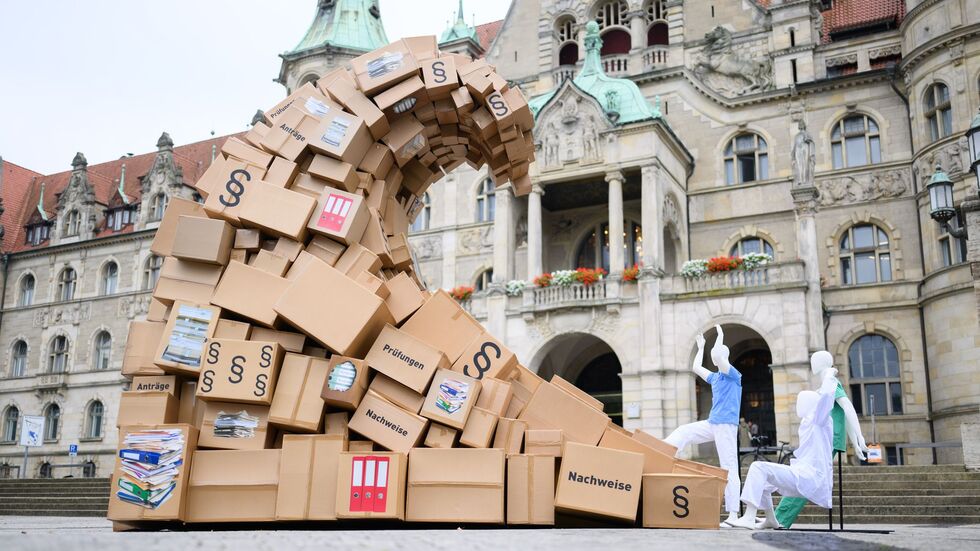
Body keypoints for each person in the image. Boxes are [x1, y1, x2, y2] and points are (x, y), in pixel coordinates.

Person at [729, 365, 839, 529]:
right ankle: (771, 519)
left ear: (811, 405)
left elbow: (826, 400)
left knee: (758, 467)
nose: (798, 405)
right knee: (764, 481)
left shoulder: (818, 420)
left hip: (810, 477)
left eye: (802, 402)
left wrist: (829, 376)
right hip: (803, 474)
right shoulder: (811, 422)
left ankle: (749, 516)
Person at [774, 350, 870, 528]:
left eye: (813, 359)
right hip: (824, 437)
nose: (811, 362)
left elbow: (847, 408)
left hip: (827, 439)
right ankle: (779, 517)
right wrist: (854, 440)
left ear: (821, 362)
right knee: (803, 477)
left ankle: (780, 518)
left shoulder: (831, 381)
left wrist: (858, 436)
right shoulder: (829, 381)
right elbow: (842, 412)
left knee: (804, 479)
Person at [665, 325, 742, 527]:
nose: (716, 359)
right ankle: (663, 450)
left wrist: (720, 336)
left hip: (726, 425)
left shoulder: (734, 375)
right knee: (684, 431)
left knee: (729, 467)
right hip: (713, 422)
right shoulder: (716, 377)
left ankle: (733, 515)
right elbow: (696, 368)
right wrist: (700, 348)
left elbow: (720, 357)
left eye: (719, 356)